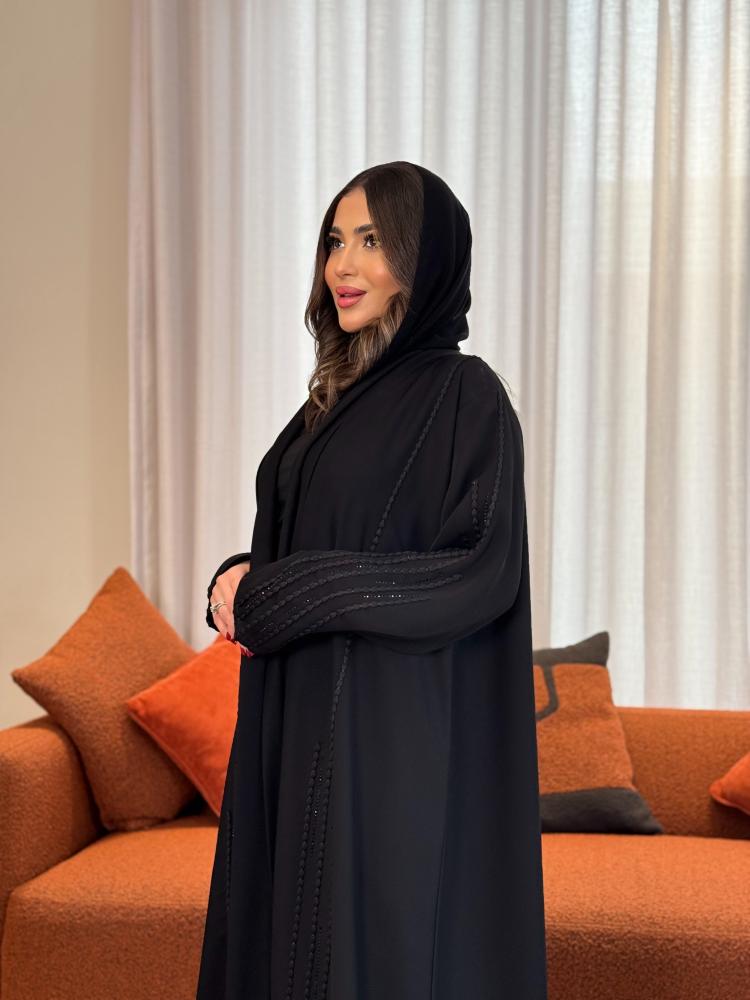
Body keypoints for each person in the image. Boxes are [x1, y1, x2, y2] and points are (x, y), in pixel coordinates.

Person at [196, 161, 548, 999]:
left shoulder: (465, 394)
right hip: (292, 716)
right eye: (334, 241)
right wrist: (240, 574)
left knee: (367, 949)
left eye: (372, 241)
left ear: (425, 261)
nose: (343, 265)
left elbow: (478, 566)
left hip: (383, 733)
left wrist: (287, 593)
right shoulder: (333, 398)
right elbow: (314, 529)